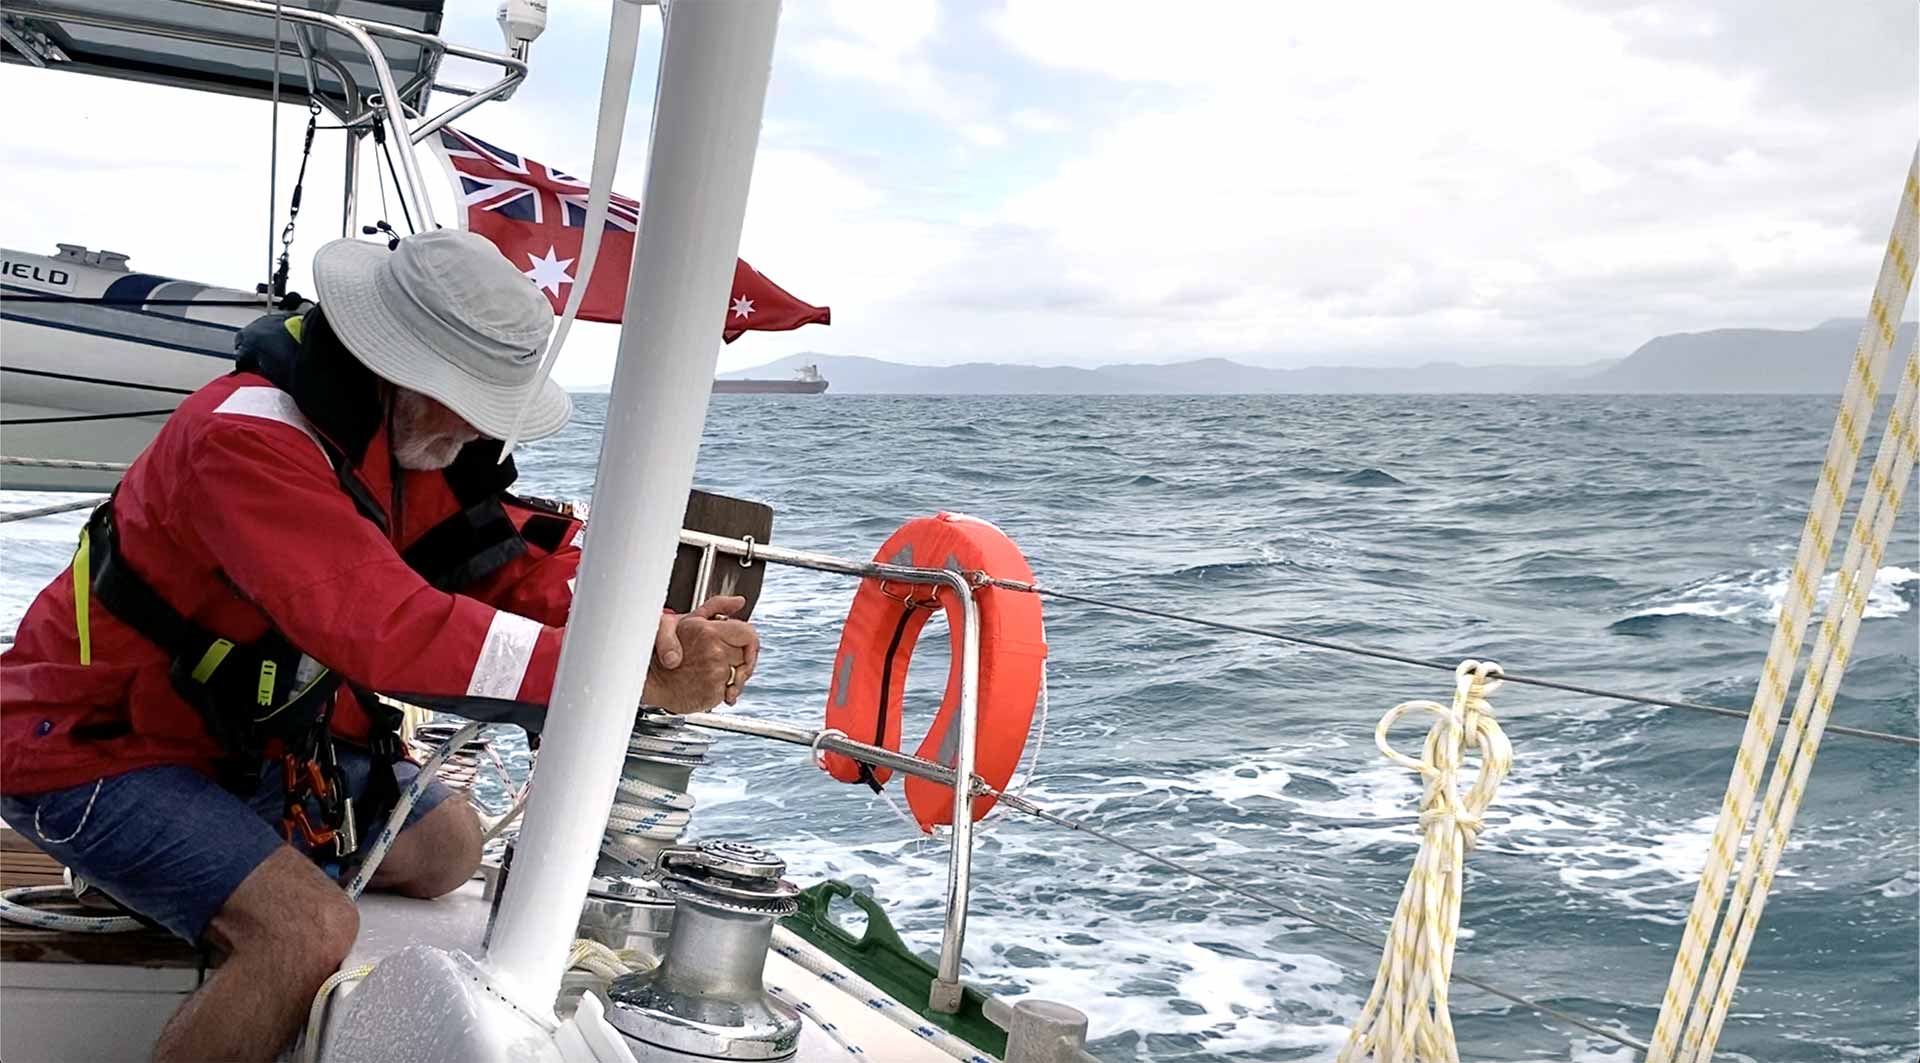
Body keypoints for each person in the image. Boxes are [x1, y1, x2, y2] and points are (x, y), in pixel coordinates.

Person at [0, 230, 760, 1061]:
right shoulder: (245, 443)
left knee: (449, 849)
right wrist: (622, 673)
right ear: (397, 372)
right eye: (470, 403)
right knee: (306, 930)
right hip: (94, 749)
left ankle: (193, 868)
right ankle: (185, 873)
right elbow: (390, 629)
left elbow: (503, 566)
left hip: (237, 751)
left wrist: (645, 627)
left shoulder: (398, 442)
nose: (479, 431)